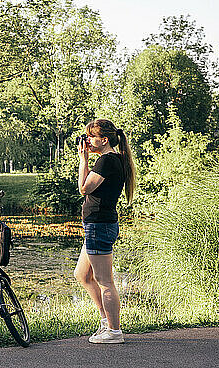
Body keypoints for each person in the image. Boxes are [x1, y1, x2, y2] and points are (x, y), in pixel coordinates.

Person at [74, 118, 136, 344]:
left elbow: (84, 188)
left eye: (91, 137)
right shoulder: (112, 160)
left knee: (105, 281)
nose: (87, 140)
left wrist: (84, 159)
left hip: (99, 225)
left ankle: (114, 332)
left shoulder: (107, 161)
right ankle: (105, 321)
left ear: (104, 140)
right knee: (82, 275)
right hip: (96, 225)